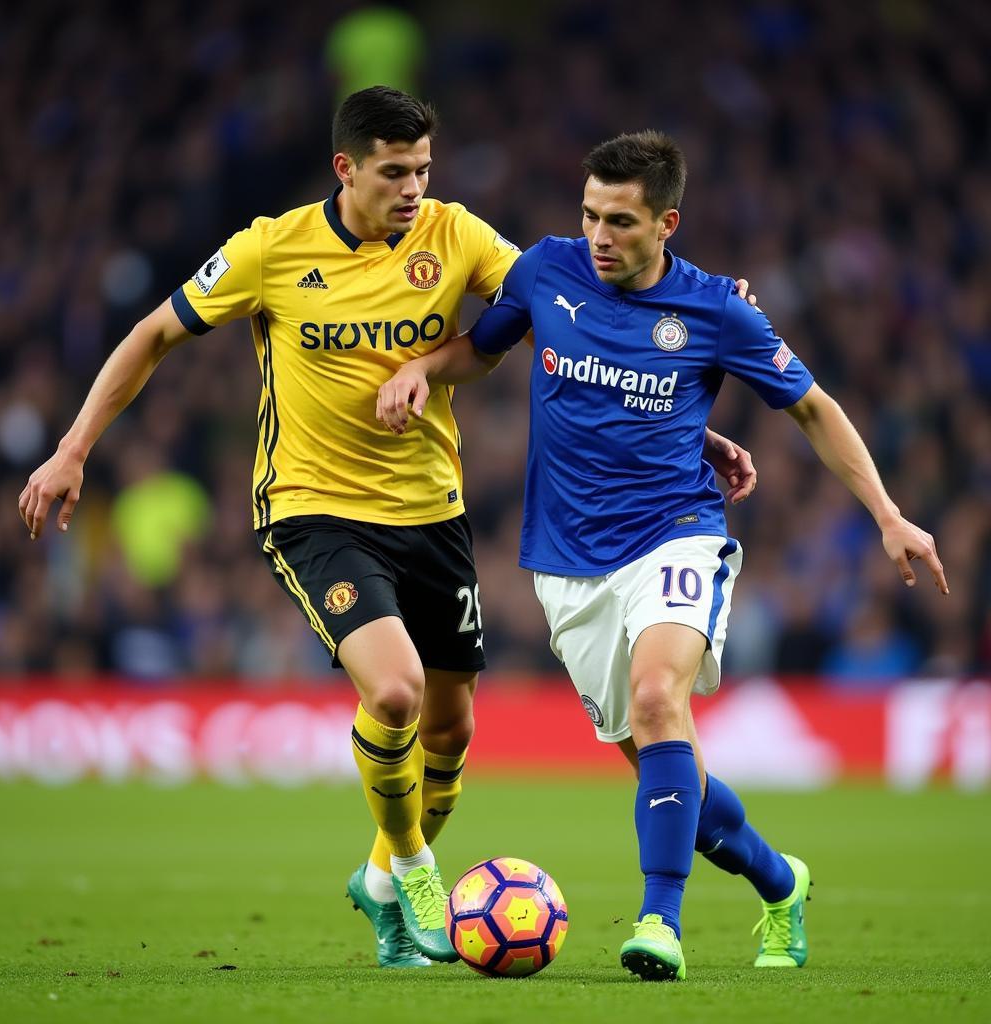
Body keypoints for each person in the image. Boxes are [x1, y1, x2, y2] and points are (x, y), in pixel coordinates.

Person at [18, 87, 756, 971]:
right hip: (313, 508)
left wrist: (693, 422)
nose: (415, 187)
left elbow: (580, 315)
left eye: (425, 170)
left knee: (449, 730)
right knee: (397, 692)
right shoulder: (271, 247)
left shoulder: (458, 235)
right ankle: (411, 867)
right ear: (348, 168)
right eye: (396, 172)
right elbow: (151, 336)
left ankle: (375, 881)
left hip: (430, 510)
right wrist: (72, 449)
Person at [376, 129, 949, 981]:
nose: (600, 235)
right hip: (568, 564)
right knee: (667, 768)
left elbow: (814, 409)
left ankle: (660, 922)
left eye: (621, 221)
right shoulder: (546, 270)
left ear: (667, 222)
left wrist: (889, 514)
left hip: (676, 535)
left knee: (656, 698)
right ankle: (782, 883)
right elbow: (485, 347)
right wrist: (426, 366)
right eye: (590, 215)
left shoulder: (718, 309)